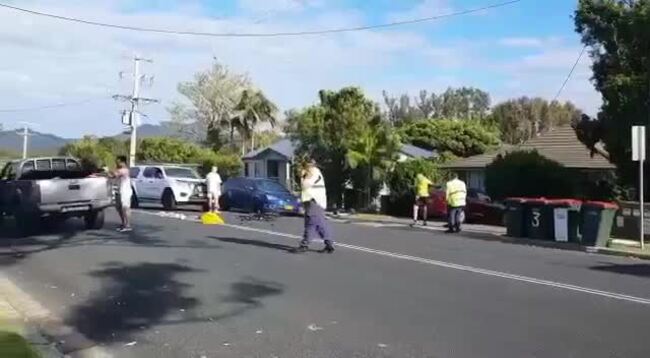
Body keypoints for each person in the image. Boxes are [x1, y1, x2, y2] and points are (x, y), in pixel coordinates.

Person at [295, 159, 334, 254]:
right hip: (313, 202)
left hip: (315, 201)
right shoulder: (312, 172)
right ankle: (329, 245)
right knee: (320, 224)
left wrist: (303, 175)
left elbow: (305, 185)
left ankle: (304, 245)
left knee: (310, 223)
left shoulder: (314, 172)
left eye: (306, 166)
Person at [111, 156, 133, 232]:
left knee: (125, 207)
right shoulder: (119, 170)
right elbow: (112, 176)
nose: (117, 163)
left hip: (125, 191)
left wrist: (108, 171)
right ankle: (123, 223)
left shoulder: (125, 170)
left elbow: (114, 175)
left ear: (123, 162)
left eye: (118, 161)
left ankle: (128, 225)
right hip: (118, 190)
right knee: (119, 208)